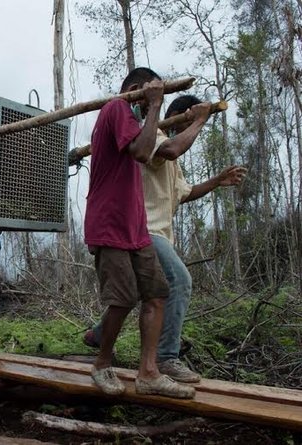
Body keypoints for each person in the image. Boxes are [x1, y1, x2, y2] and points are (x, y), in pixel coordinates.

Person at [85, 95, 247, 382]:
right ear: (178, 117)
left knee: (140, 292)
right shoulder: (155, 135)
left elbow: (182, 193)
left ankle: (99, 334)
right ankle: (166, 357)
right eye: (188, 119)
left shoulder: (171, 155)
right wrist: (199, 119)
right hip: (144, 228)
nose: (193, 129)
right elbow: (170, 149)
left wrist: (216, 181)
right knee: (179, 281)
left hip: (152, 233)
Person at [84, 67, 195, 399]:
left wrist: (154, 110)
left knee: (157, 293)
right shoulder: (116, 109)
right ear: (136, 90)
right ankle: (102, 364)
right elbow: (143, 152)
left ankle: (148, 372)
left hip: (135, 226)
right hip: (109, 224)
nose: (150, 111)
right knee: (122, 298)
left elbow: (155, 150)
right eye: (147, 102)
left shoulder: (134, 121)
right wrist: (156, 105)